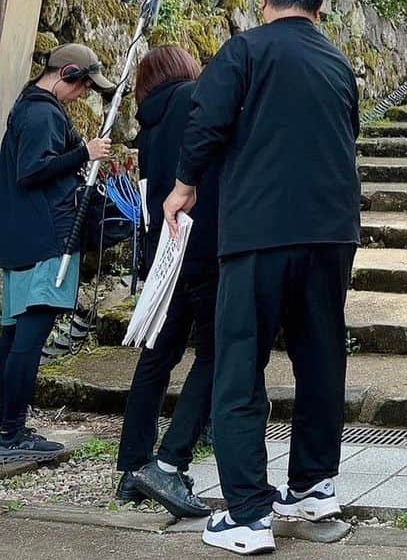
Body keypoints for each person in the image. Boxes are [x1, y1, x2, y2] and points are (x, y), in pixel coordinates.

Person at [164, 0, 360, 556]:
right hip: (331, 233)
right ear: (321, 5)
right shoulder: (338, 63)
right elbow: (347, 135)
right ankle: (313, 487)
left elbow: (206, 122)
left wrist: (185, 183)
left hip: (260, 232)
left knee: (240, 363)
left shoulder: (245, 51)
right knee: (321, 356)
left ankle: (248, 513)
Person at [115, 44, 221, 520]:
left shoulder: (147, 124)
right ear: (184, 70)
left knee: (158, 355)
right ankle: (168, 464)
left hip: (167, 251)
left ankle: (131, 466)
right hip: (204, 243)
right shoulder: (194, 101)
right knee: (216, 353)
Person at [0, 44, 114, 461]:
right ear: (66, 74)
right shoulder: (42, 114)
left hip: (24, 239)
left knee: (15, 337)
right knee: (27, 339)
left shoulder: (29, 109)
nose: (84, 94)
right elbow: (31, 171)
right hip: (46, 240)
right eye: (83, 85)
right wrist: (85, 154)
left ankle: (7, 425)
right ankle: (10, 432)